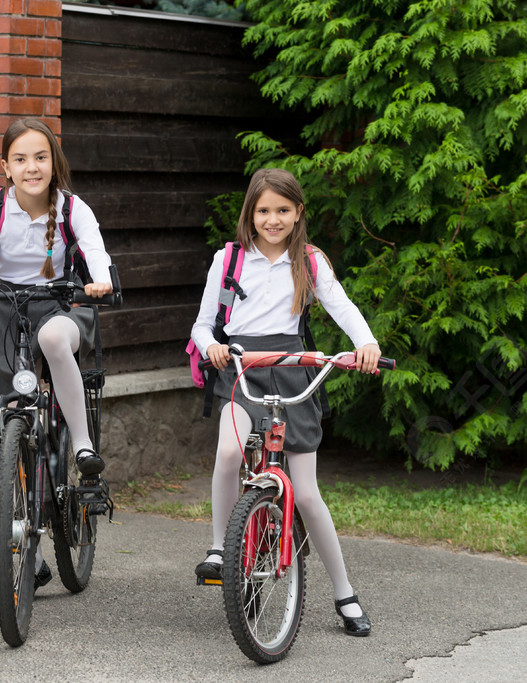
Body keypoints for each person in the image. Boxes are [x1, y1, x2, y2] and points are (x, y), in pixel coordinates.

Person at [189, 168, 381, 637]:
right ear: (250, 214)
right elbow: (202, 323)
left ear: (298, 214)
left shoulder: (310, 261)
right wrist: (211, 345)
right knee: (231, 452)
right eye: (263, 211)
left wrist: (366, 344)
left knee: (309, 494)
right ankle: (220, 548)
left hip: (294, 366)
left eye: (282, 210)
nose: (272, 220)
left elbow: (343, 306)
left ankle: (345, 593)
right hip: (240, 368)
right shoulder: (229, 259)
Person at [0, 117, 114, 590]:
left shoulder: (73, 209)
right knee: (12, 415)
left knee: (55, 342)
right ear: (5, 167)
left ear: (54, 164)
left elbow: (94, 250)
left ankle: (82, 446)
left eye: (40, 157)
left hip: (60, 308)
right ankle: (23, 533)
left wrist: (100, 280)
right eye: (20, 159)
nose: (31, 167)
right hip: (6, 310)